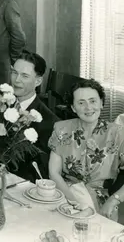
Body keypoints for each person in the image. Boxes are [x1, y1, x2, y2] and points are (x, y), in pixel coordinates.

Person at [49, 79, 124, 221]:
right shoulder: (61, 129)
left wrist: (114, 199)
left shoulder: (118, 133)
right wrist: (74, 203)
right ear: (73, 107)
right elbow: (54, 172)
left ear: (101, 103)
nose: (88, 107)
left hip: (102, 202)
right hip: (65, 195)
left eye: (93, 101)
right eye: (81, 103)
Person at [9, 51, 59, 182]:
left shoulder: (49, 122)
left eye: (24, 76)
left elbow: (39, 172)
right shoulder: (2, 105)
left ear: (38, 81)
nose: (16, 80)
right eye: (14, 72)